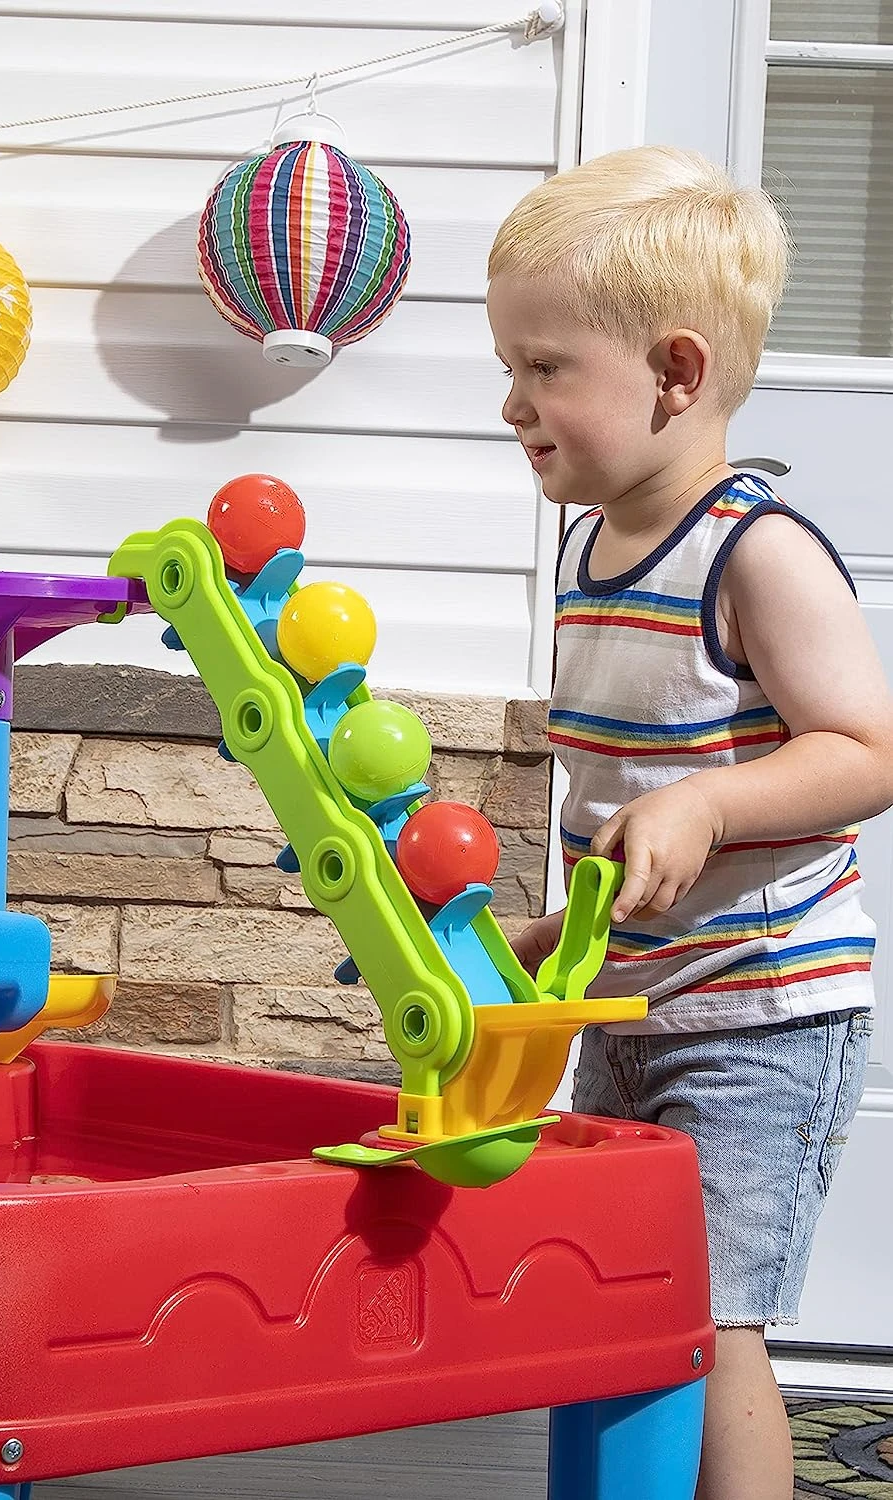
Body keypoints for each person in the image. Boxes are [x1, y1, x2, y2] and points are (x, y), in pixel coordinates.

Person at [488, 143, 893, 1500]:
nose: (511, 402)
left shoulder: (753, 550)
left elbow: (865, 750)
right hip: (636, 1006)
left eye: (544, 368)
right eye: (510, 364)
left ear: (674, 372)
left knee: (708, 1323)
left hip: (764, 1014)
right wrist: (569, 931)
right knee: (619, 1299)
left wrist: (711, 800)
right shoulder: (591, 548)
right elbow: (625, 812)